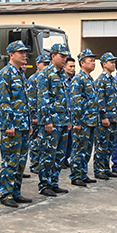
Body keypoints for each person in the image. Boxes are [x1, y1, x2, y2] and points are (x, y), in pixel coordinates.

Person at [0, 40, 34, 207]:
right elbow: (4, 101)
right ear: (12, 55)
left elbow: (24, 102)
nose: (24, 55)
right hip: (12, 126)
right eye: (21, 52)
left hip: (23, 125)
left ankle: (16, 192)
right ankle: (6, 194)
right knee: (10, 162)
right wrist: (8, 124)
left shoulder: (20, 73)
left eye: (25, 52)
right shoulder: (6, 73)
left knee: (20, 162)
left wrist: (29, 123)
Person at [37, 43, 72, 196]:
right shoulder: (45, 74)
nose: (64, 59)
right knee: (48, 154)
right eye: (61, 56)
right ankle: (44, 185)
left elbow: (66, 99)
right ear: (53, 56)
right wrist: (46, 121)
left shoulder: (63, 75)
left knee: (59, 154)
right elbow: (43, 99)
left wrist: (69, 119)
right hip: (52, 122)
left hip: (63, 121)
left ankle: (54, 182)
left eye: (65, 56)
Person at [70, 49, 99, 187]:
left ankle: (82, 173)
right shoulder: (78, 79)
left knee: (87, 150)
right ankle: (76, 176)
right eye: (90, 60)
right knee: (79, 149)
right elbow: (76, 102)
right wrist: (77, 122)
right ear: (82, 63)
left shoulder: (89, 79)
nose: (93, 63)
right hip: (83, 122)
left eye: (94, 61)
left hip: (91, 121)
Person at [94, 52, 117, 180]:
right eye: (111, 62)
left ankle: (106, 168)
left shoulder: (112, 80)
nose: (114, 64)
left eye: (114, 62)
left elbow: (116, 100)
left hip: (113, 118)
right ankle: (99, 170)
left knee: (110, 146)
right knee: (101, 145)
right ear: (104, 64)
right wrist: (103, 117)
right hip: (104, 120)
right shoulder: (101, 80)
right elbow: (100, 101)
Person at [27, 54, 50, 174]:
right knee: (35, 141)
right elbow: (31, 99)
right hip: (37, 116)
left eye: (48, 64)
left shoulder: (47, 78)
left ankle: (41, 163)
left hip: (45, 116)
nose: (46, 66)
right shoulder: (33, 79)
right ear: (37, 64)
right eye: (44, 64)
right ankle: (34, 164)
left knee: (43, 142)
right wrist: (34, 116)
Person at [62, 55, 76, 168]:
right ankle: (61, 159)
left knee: (71, 140)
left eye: (74, 67)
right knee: (64, 139)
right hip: (64, 115)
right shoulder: (61, 80)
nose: (72, 69)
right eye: (70, 66)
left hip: (73, 114)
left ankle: (66, 159)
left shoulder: (74, 80)